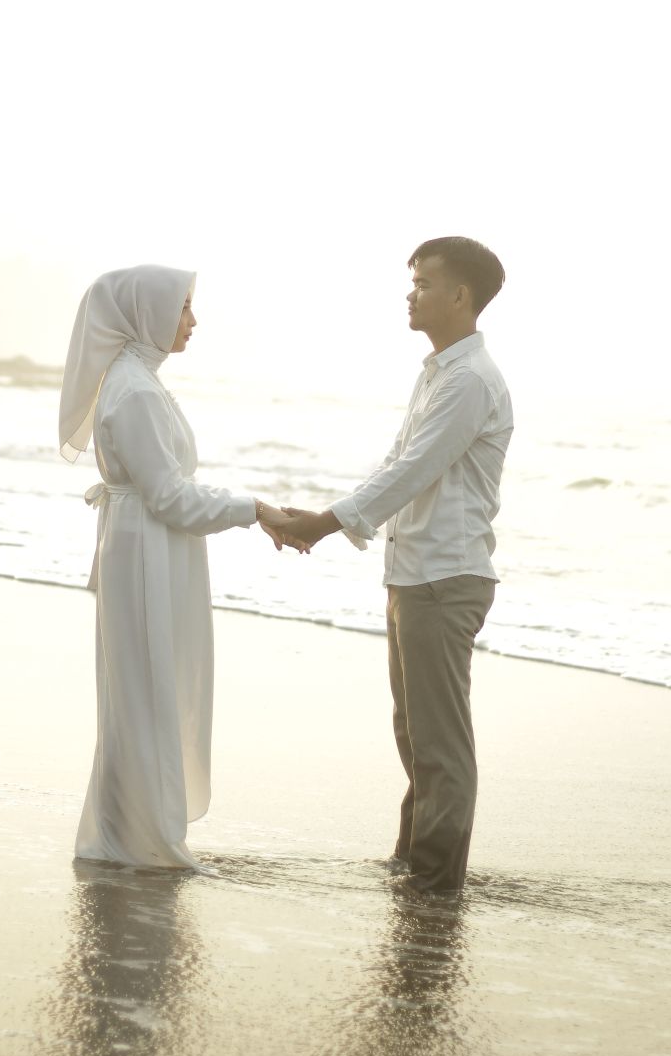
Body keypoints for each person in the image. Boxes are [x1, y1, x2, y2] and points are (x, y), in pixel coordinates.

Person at [276, 237, 513, 894]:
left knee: (439, 742)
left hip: (445, 576)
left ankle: (435, 882)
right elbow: (396, 461)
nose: (410, 294)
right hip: (414, 572)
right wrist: (325, 515)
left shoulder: (470, 380)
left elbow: (415, 470)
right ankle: (413, 864)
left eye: (423, 284)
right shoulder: (439, 372)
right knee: (414, 733)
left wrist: (325, 524)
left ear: (459, 295)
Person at [59, 264, 295, 871]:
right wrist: (254, 509)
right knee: (147, 688)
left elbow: (166, 491)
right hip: (146, 550)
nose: (193, 320)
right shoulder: (135, 390)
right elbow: (170, 497)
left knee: (141, 688)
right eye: (183, 307)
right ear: (147, 314)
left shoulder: (137, 380)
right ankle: (141, 839)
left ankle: (128, 830)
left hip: (148, 544)